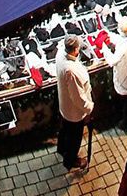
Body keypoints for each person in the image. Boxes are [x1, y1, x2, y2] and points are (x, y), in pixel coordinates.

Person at [55, 36, 92, 173]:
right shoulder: (71, 71)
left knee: (64, 130)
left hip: (65, 106)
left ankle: (61, 149)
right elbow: (78, 98)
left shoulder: (60, 55)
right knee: (74, 138)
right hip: (74, 112)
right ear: (76, 49)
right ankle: (70, 160)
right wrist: (89, 108)